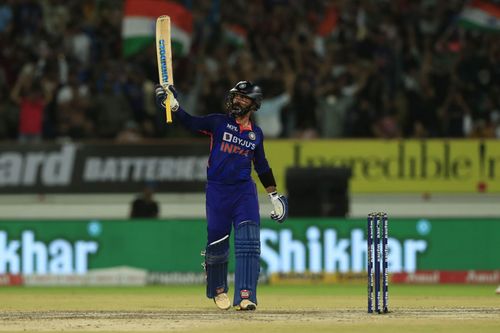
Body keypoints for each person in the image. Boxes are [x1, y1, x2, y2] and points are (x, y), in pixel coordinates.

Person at [155, 81, 288, 311]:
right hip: (218, 191)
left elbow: (263, 166)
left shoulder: (256, 134)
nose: (237, 101)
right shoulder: (218, 122)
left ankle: (246, 295)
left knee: (249, 243)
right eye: (235, 96)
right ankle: (218, 289)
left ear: (253, 104)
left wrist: (274, 195)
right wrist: (175, 106)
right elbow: (191, 123)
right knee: (217, 244)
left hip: (244, 191)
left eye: (243, 98)